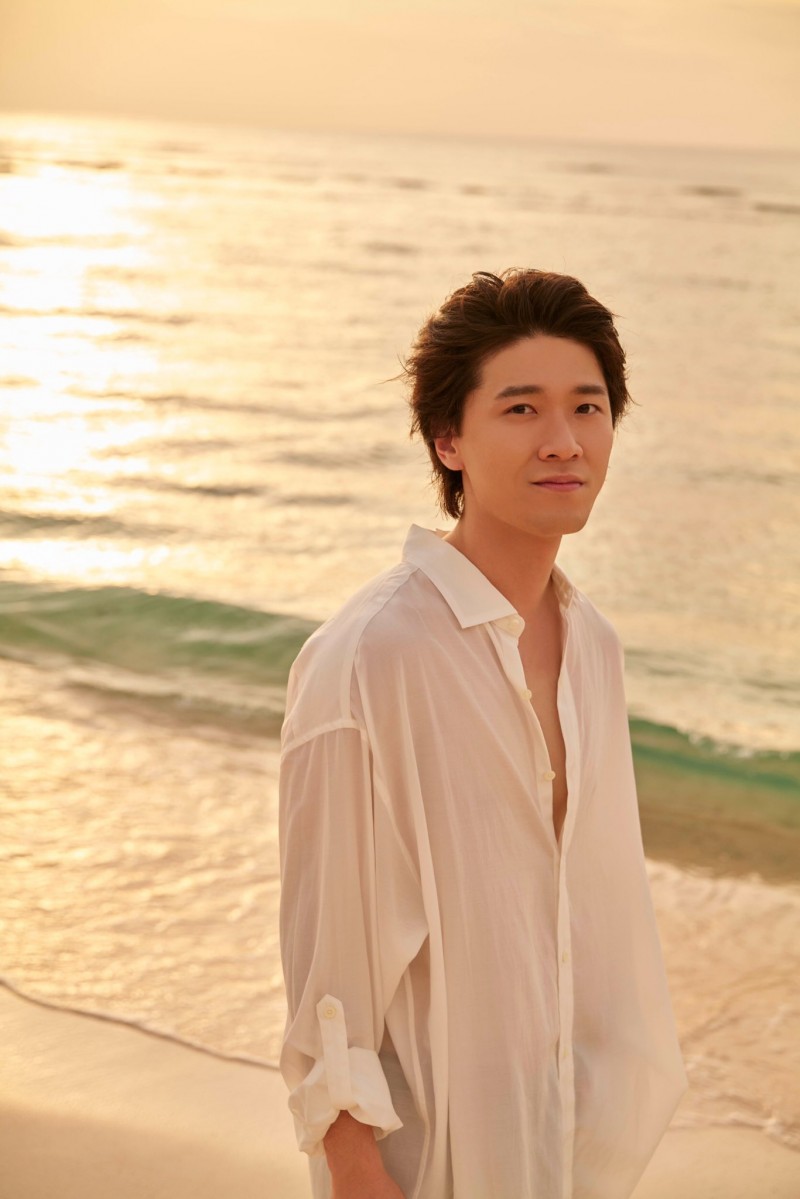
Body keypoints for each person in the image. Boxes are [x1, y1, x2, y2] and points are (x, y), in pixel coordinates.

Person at [278, 269, 687, 1199]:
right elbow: (328, 969)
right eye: (521, 408)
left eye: (588, 407)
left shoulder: (593, 647)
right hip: (427, 1164)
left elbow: (583, 927)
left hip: (570, 1157)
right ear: (448, 438)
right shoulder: (371, 656)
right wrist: (357, 1174)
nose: (563, 440)